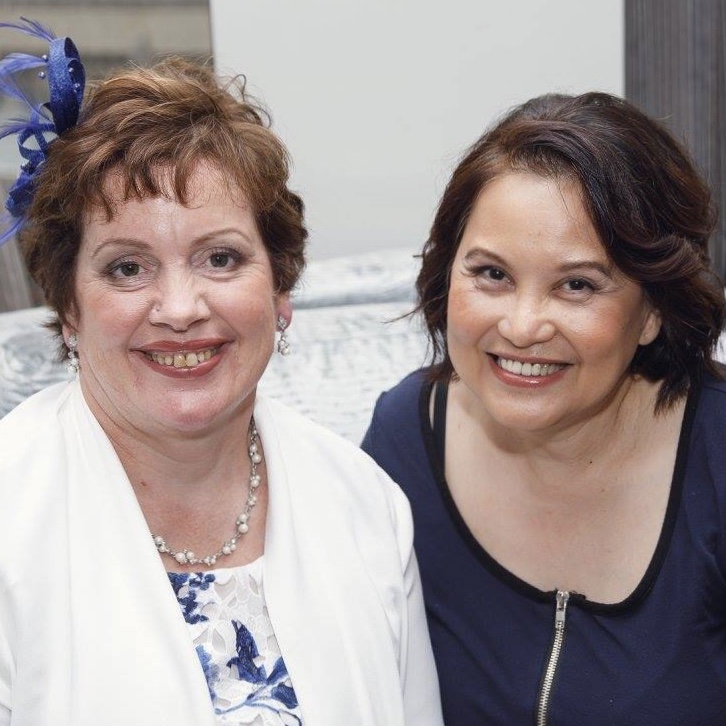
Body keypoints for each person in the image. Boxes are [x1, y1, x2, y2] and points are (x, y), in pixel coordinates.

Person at [0, 20, 443, 726]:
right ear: (69, 307)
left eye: (221, 258)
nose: (180, 308)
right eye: (127, 267)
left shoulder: (367, 506)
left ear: (281, 289)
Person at [362, 91, 726, 725]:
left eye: (577, 285)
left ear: (653, 310)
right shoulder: (402, 442)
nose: (523, 326)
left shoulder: (718, 455)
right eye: (492, 274)